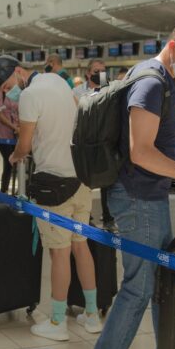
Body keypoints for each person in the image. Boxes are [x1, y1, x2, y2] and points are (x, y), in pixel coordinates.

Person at [92, 21, 175, 349]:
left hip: (147, 194)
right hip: (139, 196)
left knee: (161, 282)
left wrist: (172, 140)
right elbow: (141, 151)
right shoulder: (152, 82)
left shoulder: (152, 76)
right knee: (140, 288)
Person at [0, 55, 102, 341]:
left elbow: (25, 143)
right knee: (81, 246)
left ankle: (57, 322)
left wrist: (16, 156)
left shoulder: (29, 94)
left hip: (53, 184)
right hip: (80, 180)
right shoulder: (60, 83)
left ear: (18, 72)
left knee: (59, 253)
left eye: (8, 84)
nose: (9, 91)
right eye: (4, 90)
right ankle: (92, 315)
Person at [73, 59, 116, 232]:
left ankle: (108, 217)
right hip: (84, 142)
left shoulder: (109, 89)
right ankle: (86, 217)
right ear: (88, 74)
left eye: (103, 70)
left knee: (106, 180)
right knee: (84, 180)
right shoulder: (76, 91)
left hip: (104, 142)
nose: (101, 74)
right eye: (97, 71)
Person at [0, 84, 20, 193]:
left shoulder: (16, 91)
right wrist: (14, 127)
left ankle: (16, 191)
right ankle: (4, 192)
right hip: (3, 135)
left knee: (16, 163)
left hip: (16, 134)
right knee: (9, 162)